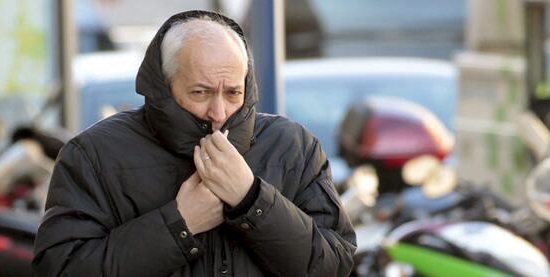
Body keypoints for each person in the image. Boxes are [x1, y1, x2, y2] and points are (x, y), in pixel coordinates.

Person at [33, 10, 356, 277]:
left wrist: (252, 199)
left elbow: (335, 266)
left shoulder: (293, 146)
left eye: (233, 93)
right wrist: (180, 223)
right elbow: (61, 270)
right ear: (164, 86)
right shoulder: (93, 156)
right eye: (200, 93)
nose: (218, 113)